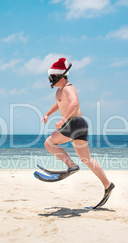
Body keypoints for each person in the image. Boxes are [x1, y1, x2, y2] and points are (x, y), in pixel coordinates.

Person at [42, 58, 115, 206]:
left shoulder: (68, 88)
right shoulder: (59, 91)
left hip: (74, 123)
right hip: (80, 125)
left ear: (60, 76)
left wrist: (63, 119)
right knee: (86, 159)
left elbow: (74, 103)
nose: (51, 82)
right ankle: (108, 184)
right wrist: (48, 114)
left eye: (52, 78)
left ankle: (71, 166)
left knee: (49, 143)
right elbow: (59, 103)